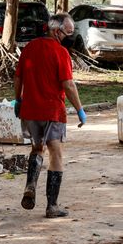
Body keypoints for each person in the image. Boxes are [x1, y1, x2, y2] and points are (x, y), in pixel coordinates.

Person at [14, 12, 86, 218]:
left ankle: (30, 185)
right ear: (56, 31)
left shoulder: (29, 48)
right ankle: (52, 206)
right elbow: (68, 85)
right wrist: (80, 109)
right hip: (52, 111)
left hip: (30, 110)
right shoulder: (60, 53)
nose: (69, 37)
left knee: (37, 149)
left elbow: (18, 77)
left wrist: (18, 100)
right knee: (56, 153)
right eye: (67, 33)